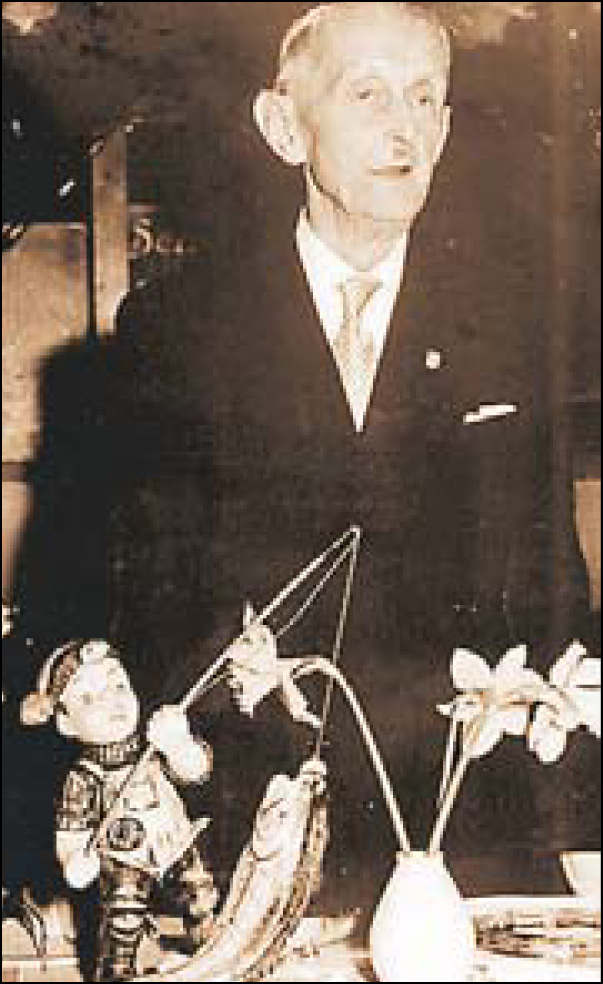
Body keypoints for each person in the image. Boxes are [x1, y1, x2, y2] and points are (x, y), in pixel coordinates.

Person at [105, 1, 595, 888]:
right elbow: (150, 604)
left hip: (469, 834)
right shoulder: (174, 331)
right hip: (251, 831)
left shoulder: (514, 331)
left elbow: (552, 597)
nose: (404, 128)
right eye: (367, 93)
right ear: (283, 126)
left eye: (423, 98)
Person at [21, 639, 218, 982]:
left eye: (118, 685)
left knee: (200, 899)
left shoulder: (154, 745)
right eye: (88, 698)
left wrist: (179, 743)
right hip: (124, 862)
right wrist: (74, 859)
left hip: (176, 845)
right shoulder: (82, 779)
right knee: (123, 925)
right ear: (66, 724)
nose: (111, 701)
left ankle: (213, 954)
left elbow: (197, 770)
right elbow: (71, 833)